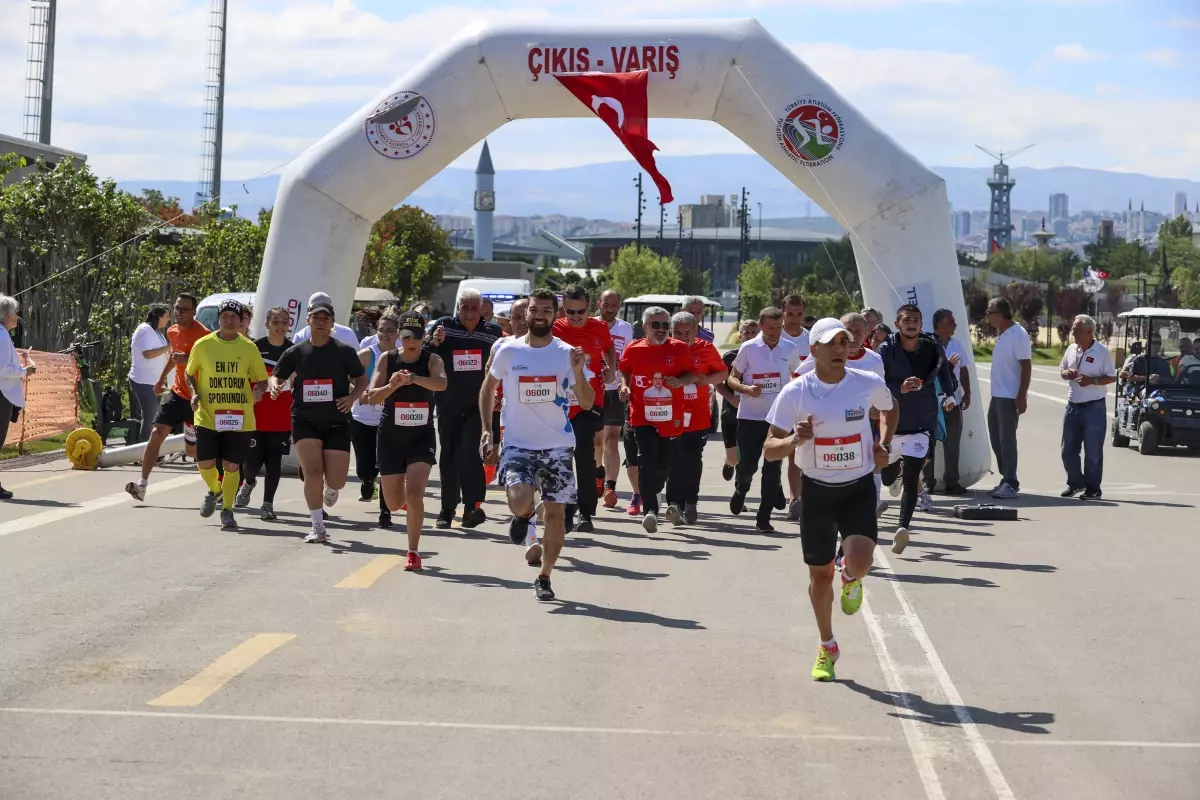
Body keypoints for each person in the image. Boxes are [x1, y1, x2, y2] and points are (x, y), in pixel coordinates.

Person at [764, 318, 896, 682]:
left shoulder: (866, 383)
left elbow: (890, 408)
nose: (840, 349)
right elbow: (770, 449)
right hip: (817, 491)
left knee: (860, 558)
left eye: (845, 342)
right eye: (832, 343)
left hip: (858, 487)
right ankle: (827, 645)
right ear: (815, 350)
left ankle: (851, 577)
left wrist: (883, 441)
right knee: (819, 576)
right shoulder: (795, 392)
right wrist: (794, 441)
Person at [479, 288, 592, 601]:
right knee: (518, 498)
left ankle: (544, 576)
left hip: (557, 447)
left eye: (546, 310)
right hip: (518, 445)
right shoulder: (509, 351)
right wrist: (487, 429)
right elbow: (487, 389)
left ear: (554, 315)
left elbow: (587, 400)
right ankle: (524, 515)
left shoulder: (567, 353)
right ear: (525, 314)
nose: (539, 315)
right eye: (534, 310)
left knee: (555, 516)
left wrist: (579, 373)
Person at [271, 300, 368, 543]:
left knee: (337, 479)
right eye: (317, 317)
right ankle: (317, 526)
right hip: (305, 419)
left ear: (332, 323)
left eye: (326, 318)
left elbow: (361, 380)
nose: (321, 321)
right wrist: (275, 386)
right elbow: (277, 375)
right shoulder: (296, 351)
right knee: (312, 472)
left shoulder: (344, 351)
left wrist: (352, 397)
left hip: (336, 419)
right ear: (309, 321)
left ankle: (331, 488)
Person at [365, 309, 447, 571]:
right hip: (391, 435)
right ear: (399, 335)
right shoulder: (387, 360)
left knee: (415, 495)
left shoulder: (431, 359)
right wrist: (393, 386)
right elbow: (370, 396)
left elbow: (441, 384)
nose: (412, 341)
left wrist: (414, 379)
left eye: (417, 335)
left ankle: (413, 551)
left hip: (421, 437)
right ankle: (393, 490)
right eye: (407, 335)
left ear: (424, 336)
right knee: (393, 502)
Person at [877, 304, 957, 553]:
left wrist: (947, 394)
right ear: (898, 323)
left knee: (912, 477)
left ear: (921, 325)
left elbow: (944, 371)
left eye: (916, 320)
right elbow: (875, 383)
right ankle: (893, 475)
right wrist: (899, 387)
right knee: (888, 476)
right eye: (906, 320)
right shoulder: (886, 350)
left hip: (922, 421)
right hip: (893, 424)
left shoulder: (933, 347)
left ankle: (903, 528)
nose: (911, 324)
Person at [184, 299, 268, 531]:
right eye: (225, 316)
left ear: (241, 320)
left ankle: (227, 510)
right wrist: (193, 393)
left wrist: (259, 390)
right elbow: (189, 374)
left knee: (232, 466)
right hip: (208, 414)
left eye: (234, 316)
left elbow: (262, 380)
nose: (229, 320)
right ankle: (214, 489)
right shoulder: (203, 345)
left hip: (239, 417)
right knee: (204, 463)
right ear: (219, 319)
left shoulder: (249, 348)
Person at [425, 288, 503, 529]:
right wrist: (434, 342)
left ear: (482, 311)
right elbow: (426, 354)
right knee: (449, 453)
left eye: (474, 308)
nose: (469, 313)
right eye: (465, 307)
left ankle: (473, 506)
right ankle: (447, 509)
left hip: (478, 404)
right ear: (457, 308)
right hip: (448, 402)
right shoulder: (444, 326)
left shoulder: (493, 332)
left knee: (470, 450)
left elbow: (503, 363)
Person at [125, 293, 210, 503]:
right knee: (157, 431)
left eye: (184, 309)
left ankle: (215, 487)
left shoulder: (204, 335)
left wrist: (189, 358)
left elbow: (210, 362)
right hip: (177, 392)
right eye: (176, 308)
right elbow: (174, 358)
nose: (178, 313)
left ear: (194, 312)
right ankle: (142, 484)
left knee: (192, 450)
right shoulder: (172, 332)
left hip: (197, 397)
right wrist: (161, 379)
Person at [619, 306, 696, 533]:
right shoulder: (634, 349)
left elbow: (693, 374)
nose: (661, 329)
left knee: (664, 465)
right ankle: (650, 511)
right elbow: (625, 370)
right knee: (647, 460)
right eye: (656, 325)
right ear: (645, 327)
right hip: (642, 415)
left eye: (665, 325)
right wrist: (624, 386)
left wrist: (680, 382)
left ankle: (656, 489)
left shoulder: (680, 349)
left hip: (670, 417)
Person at [727, 307, 801, 532]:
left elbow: (797, 376)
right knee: (748, 466)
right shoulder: (748, 349)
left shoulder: (790, 348)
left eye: (779, 328)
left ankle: (763, 517)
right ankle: (741, 487)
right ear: (760, 326)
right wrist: (746, 388)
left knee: (772, 469)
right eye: (770, 328)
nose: (775, 332)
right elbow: (731, 379)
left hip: (778, 421)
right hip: (750, 417)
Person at [553, 286, 617, 532]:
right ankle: (567, 508)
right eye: (570, 311)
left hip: (590, 401)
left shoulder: (599, 328)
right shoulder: (556, 329)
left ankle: (586, 512)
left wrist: (610, 365)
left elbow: (609, 347)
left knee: (583, 451)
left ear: (589, 307)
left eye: (580, 311)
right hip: (561, 401)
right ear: (563, 309)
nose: (575, 316)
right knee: (563, 456)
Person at [664, 311, 728, 524]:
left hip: (697, 416)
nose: (683, 336)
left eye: (687, 332)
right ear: (671, 331)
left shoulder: (705, 348)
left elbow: (723, 374)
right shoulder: (664, 348)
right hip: (669, 414)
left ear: (695, 331)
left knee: (691, 460)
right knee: (673, 459)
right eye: (678, 332)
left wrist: (706, 379)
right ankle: (674, 504)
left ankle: (691, 500)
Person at [237, 306, 294, 521]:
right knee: (251, 460)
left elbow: (296, 381)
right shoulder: (254, 347)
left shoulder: (293, 350)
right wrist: (255, 390)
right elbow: (243, 375)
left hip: (281, 415)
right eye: (276, 322)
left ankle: (268, 504)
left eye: (284, 322)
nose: (280, 326)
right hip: (256, 413)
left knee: (274, 461)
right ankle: (249, 482)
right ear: (267, 324)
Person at [1059, 314, 1117, 500]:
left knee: (1092, 452)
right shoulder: (1071, 349)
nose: (1072, 331)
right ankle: (1076, 483)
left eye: (1076, 329)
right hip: (1072, 405)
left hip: (1094, 407)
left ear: (1089, 332)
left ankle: (1093, 488)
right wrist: (1067, 373)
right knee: (1068, 450)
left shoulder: (1101, 352)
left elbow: (1112, 376)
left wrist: (1092, 381)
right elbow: (1062, 370)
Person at [350, 311, 398, 527]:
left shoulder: (403, 355)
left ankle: (385, 512)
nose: (385, 335)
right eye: (381, 331)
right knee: (365, 468)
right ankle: (368, 480)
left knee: (387, 467)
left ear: (397, 333)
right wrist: (359, 394)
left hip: (389, 421)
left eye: (389, 331)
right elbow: (346, 379)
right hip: (363, 419)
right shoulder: (367, 355)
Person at [986, 297, 1031, 499]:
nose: (988, 316)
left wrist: (1022, 395)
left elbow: (1026, 366)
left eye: (990, 312)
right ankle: (1006, 479)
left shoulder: (1018, 334)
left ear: (1001, 315)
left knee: (1007, 441)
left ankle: (1011, 482)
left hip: (1009, 396)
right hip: (996, 395)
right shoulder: (1003, 334)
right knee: (996, 440)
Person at [924, 308, 971, 496]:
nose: (955, 325)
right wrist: (947, 367)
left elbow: (965, 369)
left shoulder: (957, 345)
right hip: (932, 404)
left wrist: (967, 392)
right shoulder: (926, 345)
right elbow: (925, 373)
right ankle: (928, 483)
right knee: (929, 445)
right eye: (951, 322)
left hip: (954, 402)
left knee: (952, 444)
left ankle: (952, 482)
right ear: (939, 325)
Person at [596, 289, 634, 509]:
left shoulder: (625, 328)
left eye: (614, 305)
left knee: (611, 439)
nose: (609, 309)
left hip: (615, 390)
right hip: (594, 390)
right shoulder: (590, 325)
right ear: (598, 304)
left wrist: (625, 384)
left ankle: (610, 485)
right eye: (606, 305)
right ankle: (597, 475)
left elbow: (628, 360)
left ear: (619, 305)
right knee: (596, 442)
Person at [780, 294, 812, 521]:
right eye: (790, 314)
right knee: (775, 455)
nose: (794, 319)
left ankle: (795, 500)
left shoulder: (811, 340)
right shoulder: (773, 336)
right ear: (782, 312)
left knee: (796, 454)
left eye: (798, 314)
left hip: (805, 403)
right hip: (778, 403)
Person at [0, 294, 35, 500]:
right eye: (15, 314)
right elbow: (4, 369)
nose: (17, 317)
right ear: (6, 315)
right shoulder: (3, 337)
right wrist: (25, 371)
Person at [716, 319, 759, 482]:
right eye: (746, 333)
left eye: (753, 333)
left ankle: (740, 491)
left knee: (747, 458)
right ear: (740, 336)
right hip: (731, 412)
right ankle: (729, 462)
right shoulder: (729, 357)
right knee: (734, 458)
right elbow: (718, 383)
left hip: (754, 414)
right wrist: (731, 398)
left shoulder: (764, 357)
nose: (749, 336)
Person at [128, 304, 171, 443]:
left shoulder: (157, 332)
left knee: (156, 417)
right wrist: (168, 347)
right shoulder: (145, 330)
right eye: (166, 316)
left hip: (154, 381)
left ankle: (152, 448)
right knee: (149, 416)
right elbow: (148, 354)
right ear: (158, 317)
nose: (168, 319)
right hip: (143, 381)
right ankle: (142, 450)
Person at [292, 291, 361, 348]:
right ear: (308, 311)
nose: (321, 322)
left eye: (325, 316)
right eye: (316, 316)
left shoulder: (348, 334)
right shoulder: (300, 337)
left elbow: (358, 361)